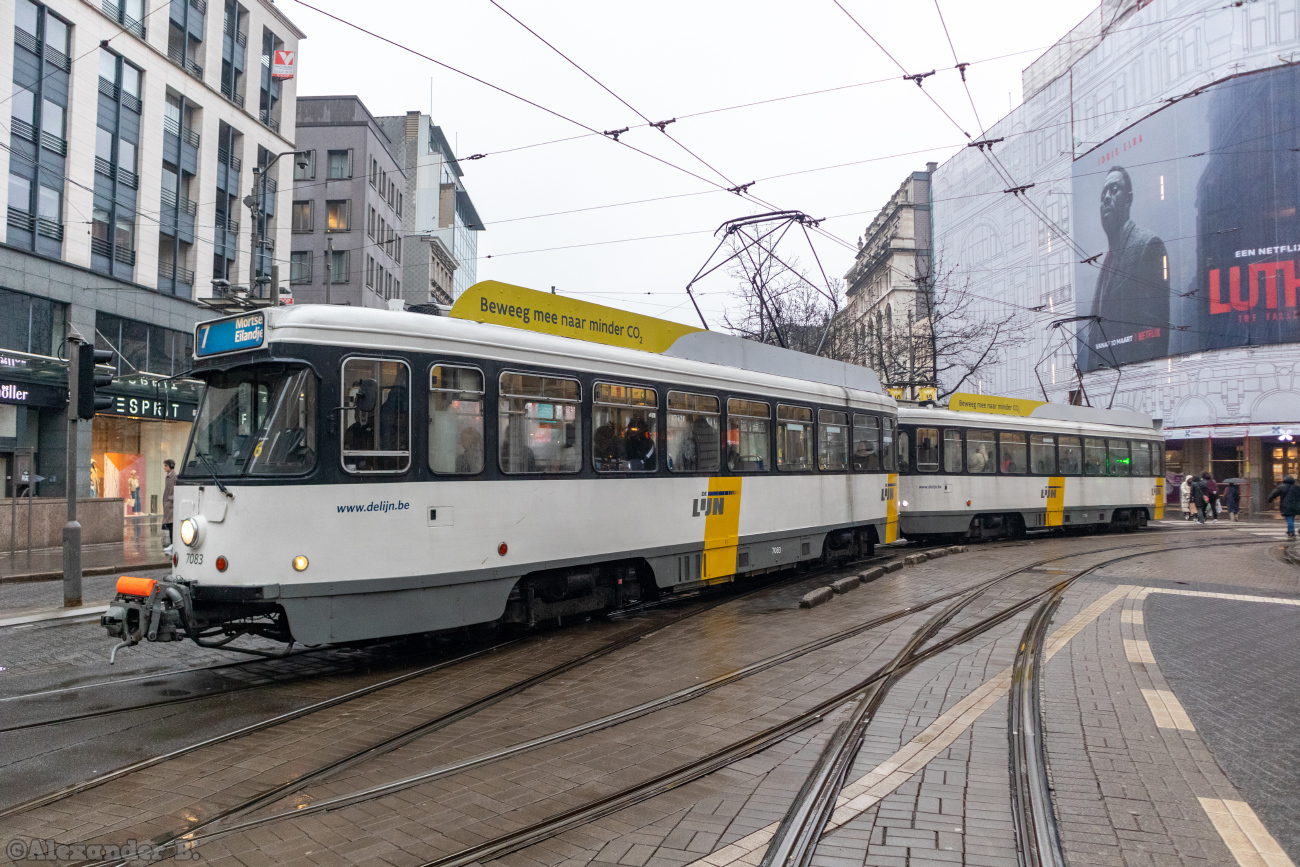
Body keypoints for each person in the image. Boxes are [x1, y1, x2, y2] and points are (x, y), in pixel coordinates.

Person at [1081, 166, 1171, 371]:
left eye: (1114, 190)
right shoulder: (1105, 263)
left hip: (1136, 382)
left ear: (1128, 199)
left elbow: (1154, 333)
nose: (1106, 198)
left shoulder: (1147, 245)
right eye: (1103, 193)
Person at [161, 459, 177, 552]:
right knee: (170, 525)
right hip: (168, 504)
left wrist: (171, 499)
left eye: (166, 466)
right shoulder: (167, 477)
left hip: (171, 504)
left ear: (171, 466)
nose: (164, 468)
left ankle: (173, 544)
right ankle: (172, 544)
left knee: (172, 525)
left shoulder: (175, 476)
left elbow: (176, 490)